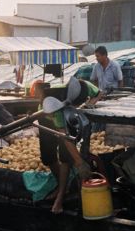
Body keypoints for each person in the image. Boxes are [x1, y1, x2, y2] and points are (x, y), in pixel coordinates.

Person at [37, 78, 99, 213]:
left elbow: (98, 93)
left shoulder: (83, 86)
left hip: (67, 115)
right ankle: (61, 185)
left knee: (65, 156)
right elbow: (65, 136)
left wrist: (91, 102)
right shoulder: (58, 107)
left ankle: (60, 196)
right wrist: (80, 163)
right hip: (46, 114)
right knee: (48, 156)